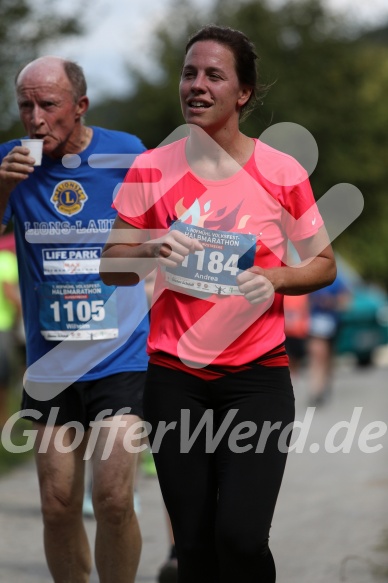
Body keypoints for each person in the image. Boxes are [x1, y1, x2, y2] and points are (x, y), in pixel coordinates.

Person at [100, 25, 336, 583]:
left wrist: (273, 279)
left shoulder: (281, 172)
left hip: (257, 378)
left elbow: (322, 263)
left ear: (243, 92)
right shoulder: (151, 169)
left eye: (213, 75)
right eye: (189, 73)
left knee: (242, 539)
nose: (197, 85)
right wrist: (151, 247)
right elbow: (111, 265)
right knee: (196, 548)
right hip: (175, 377)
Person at [0, 56, 149, 583]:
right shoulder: (10, 163)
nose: (35, 119)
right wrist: (3, 188)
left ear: (80, 106)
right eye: (25, 105)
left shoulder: (127, 153)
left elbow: (171, 220)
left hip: (121, 354)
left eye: (48, 105)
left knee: (111, 498)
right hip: (51, 362)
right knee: (57, 504)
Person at [307, 275, 350, 406]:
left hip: (332, 324)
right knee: (317, 357)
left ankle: (324, 386)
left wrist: (331, 302)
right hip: (316, 326)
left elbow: (345, 303)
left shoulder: (337, 280)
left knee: (328, 359)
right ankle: (316, 390)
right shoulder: (311, 277)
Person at [0, 245, 22, 428]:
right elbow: (10, 294)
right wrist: (20, 320)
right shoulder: (6, 260)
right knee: (4, 379)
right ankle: (4, 423)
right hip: (3, 327)